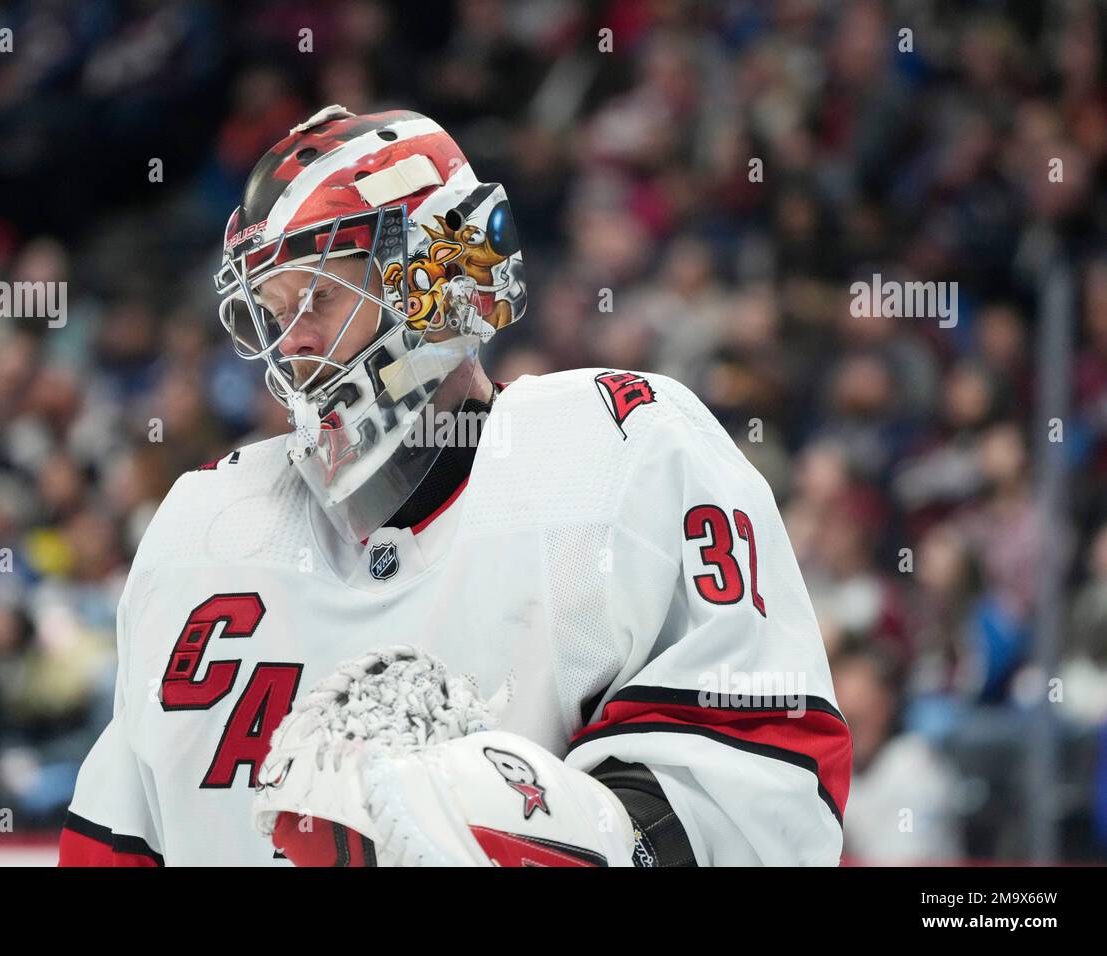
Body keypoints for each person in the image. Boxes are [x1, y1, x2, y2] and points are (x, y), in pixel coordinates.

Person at [59, 105, 851, 866]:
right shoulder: (205, 525)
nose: (292, 344)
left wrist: (533, 829)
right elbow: (116, 844)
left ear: (435, 277)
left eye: (317, 298)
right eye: (272, 311)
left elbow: (764, 785)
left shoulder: (620, 451)